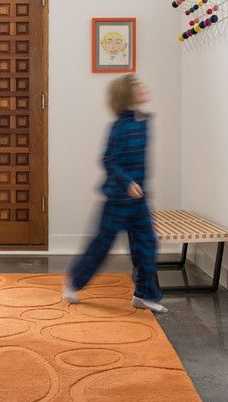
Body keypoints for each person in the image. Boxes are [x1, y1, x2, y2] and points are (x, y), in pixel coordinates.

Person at [63, 74, 166, 314]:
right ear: (128, 95)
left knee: (147, 245)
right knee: (101, 244)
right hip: (117, 199)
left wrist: (138, 188)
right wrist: (127, 182)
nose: (144, 87)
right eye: (138, 86)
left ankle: (144, 294)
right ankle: (73, 281)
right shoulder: (119, 126)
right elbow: (108, 160)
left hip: (139, 200)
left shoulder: (145, 121)